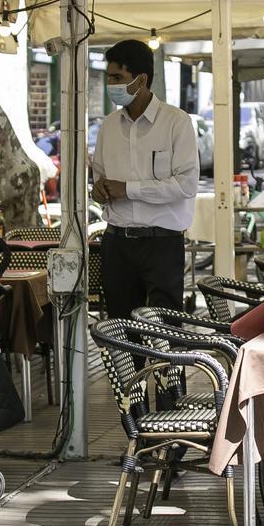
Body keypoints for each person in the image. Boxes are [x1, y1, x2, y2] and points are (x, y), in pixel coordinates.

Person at [91, 38, 199, 324]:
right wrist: (99, 190)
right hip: (117, 243)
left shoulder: (177, 122)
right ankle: (132, 372)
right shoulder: (108, 127)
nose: (110, 85)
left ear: (141, 79)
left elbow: (186, 185)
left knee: (167, 331)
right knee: (122, 332)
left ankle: (169, 371)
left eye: (118, 78)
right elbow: (99, 176)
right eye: (109, 77)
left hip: (161, 244)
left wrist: (128, 189)